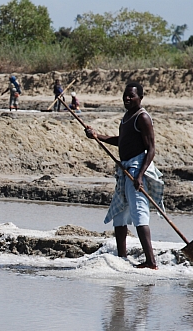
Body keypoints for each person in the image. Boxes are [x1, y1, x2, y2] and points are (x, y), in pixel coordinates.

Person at [84, 82, 164, 269]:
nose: (127, 98)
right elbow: (123, 141)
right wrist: (98, 136)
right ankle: (122, 257)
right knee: (119, 215)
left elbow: (151, 149)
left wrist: (140, 176)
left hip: (137, 169)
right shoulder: (127, 116)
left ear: (140, 98)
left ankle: (151, 262)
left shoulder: (142, 117)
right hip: (126, 169)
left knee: (139, 213)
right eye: (125, 95)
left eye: (132, 96)